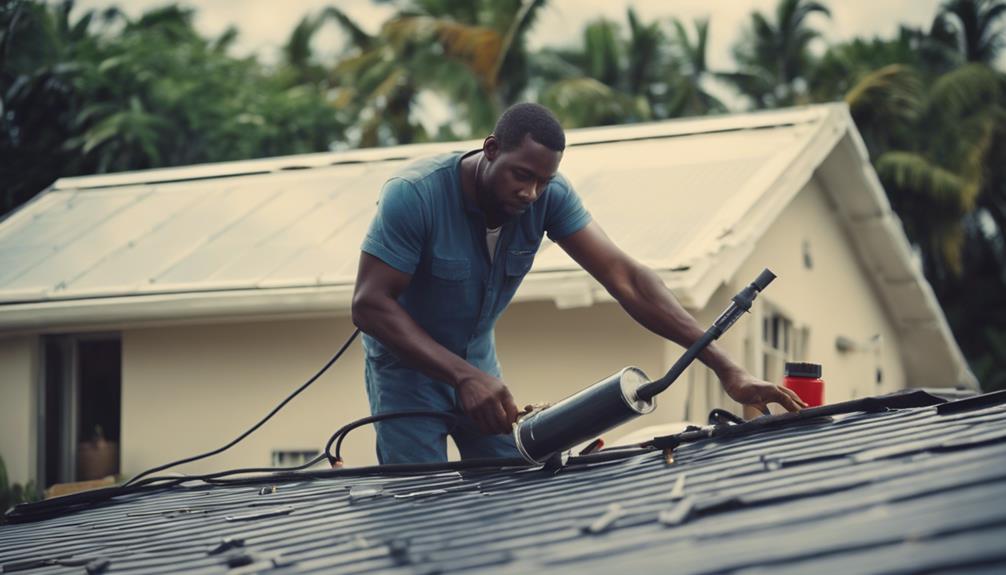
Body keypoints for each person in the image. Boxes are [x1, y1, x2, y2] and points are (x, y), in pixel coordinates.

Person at [352, 103, 806, 464]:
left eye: (543, 182)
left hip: (478, 363)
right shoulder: (414, 195)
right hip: (406, 371)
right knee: (417, 502)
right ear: (491, 149)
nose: (530, 194)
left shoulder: (548, 195)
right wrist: (462, 376)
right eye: (521, 175)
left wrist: (728, 369)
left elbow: (626, 278)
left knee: (510, 483)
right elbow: (370, 305)